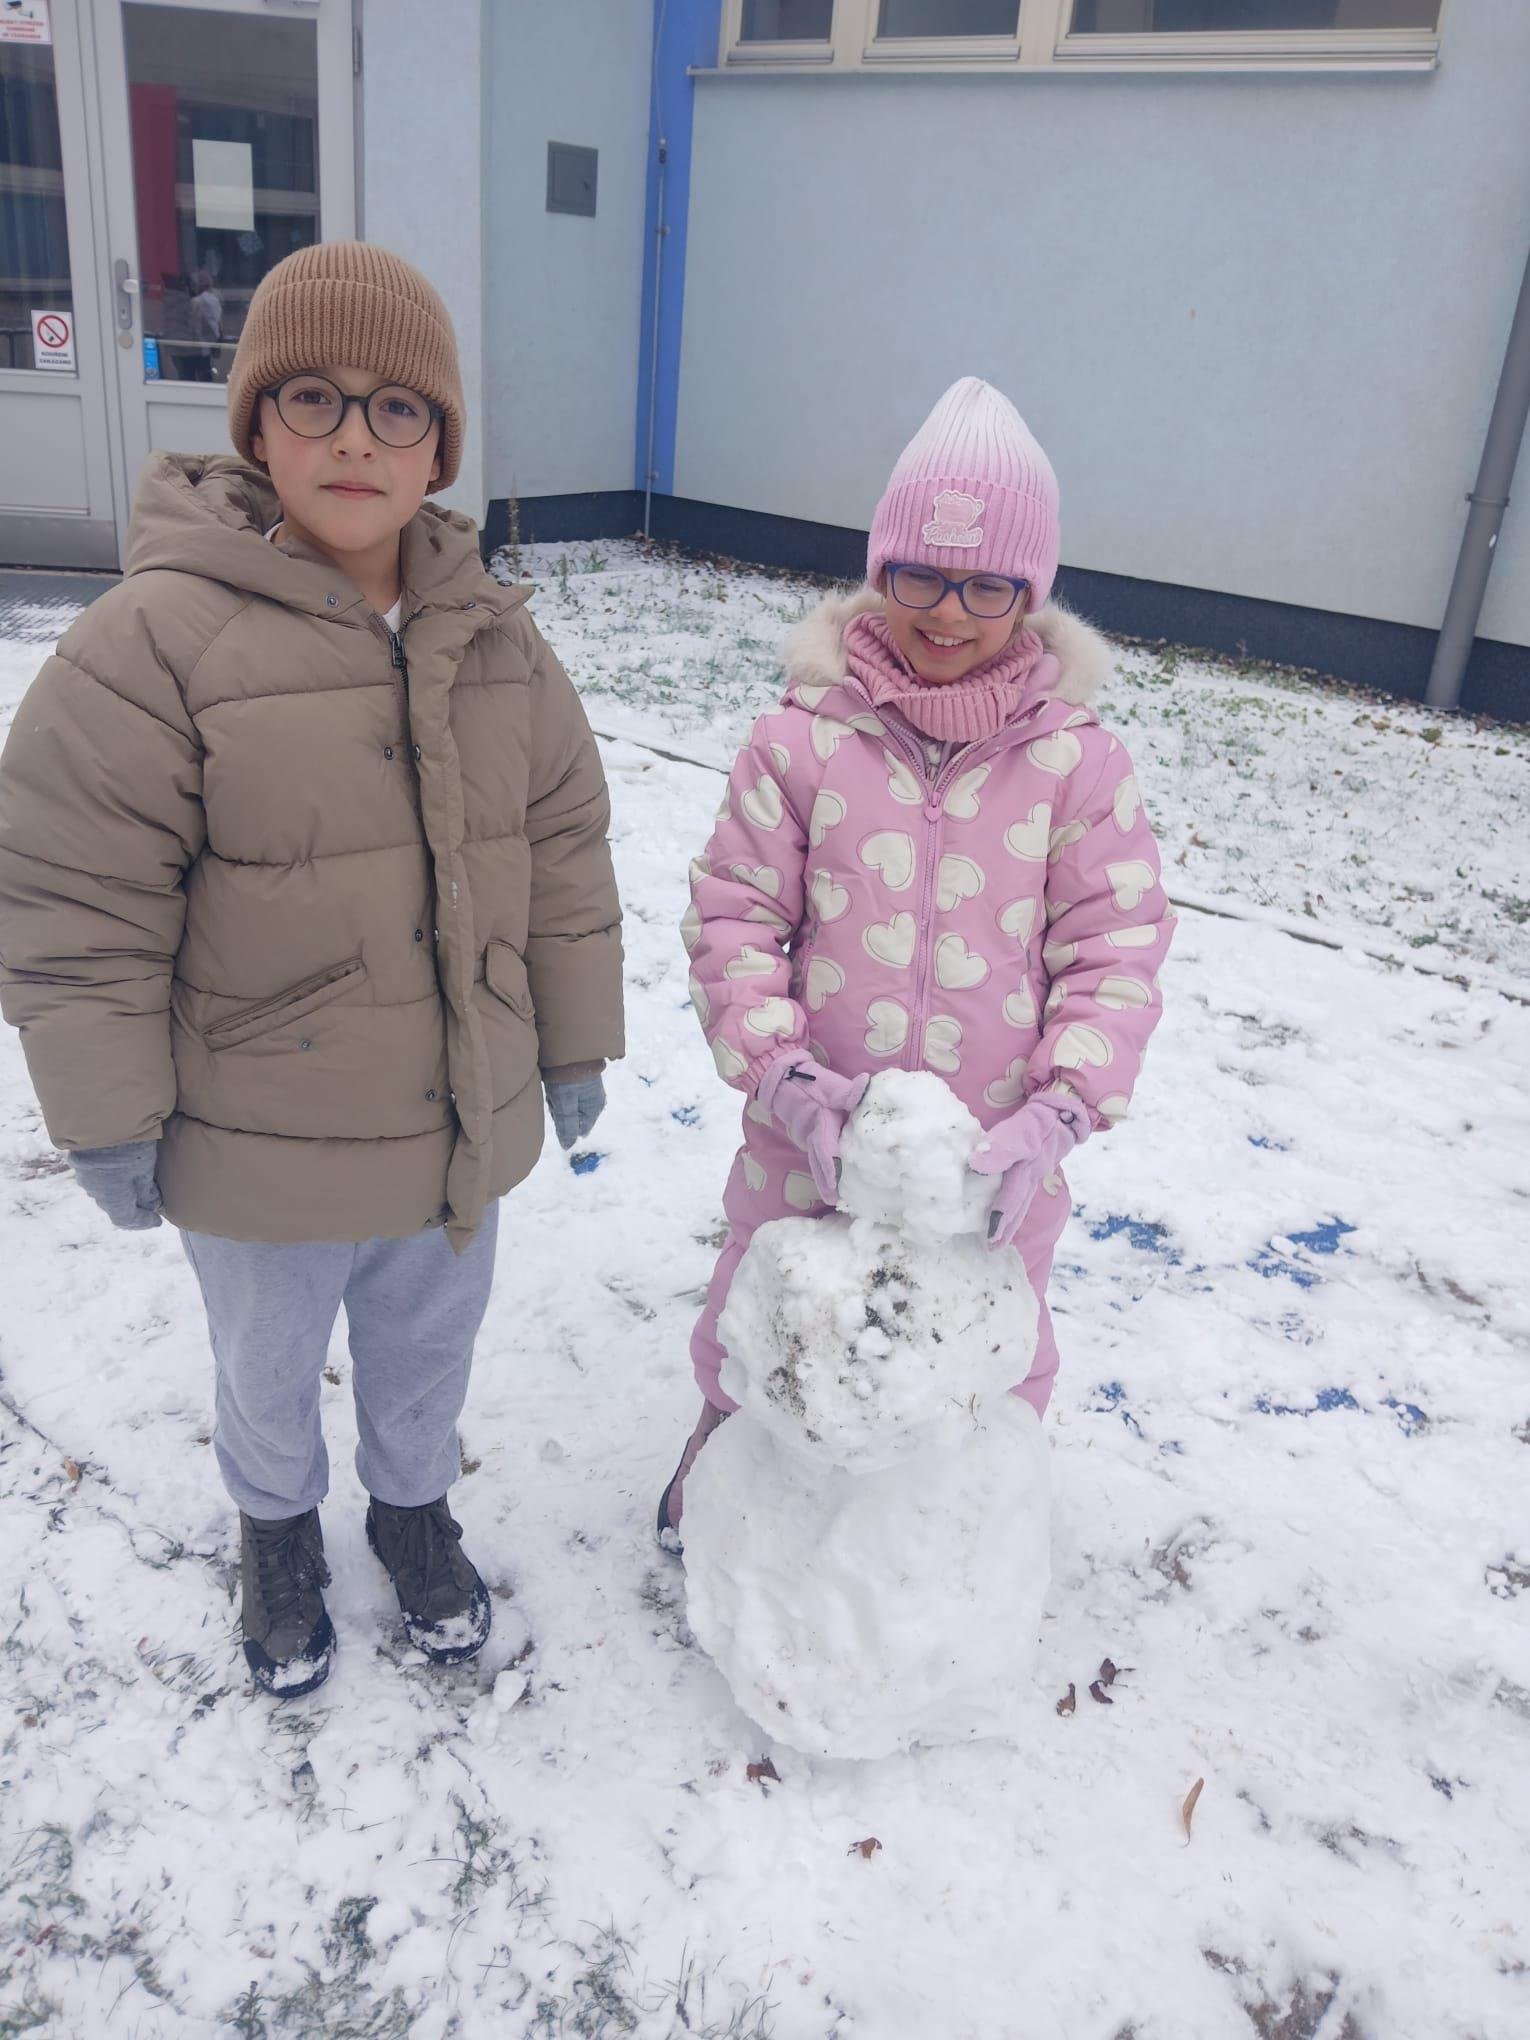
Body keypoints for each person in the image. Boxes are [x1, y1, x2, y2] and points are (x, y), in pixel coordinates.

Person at [0, 242, 623, 1695]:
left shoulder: (495, 642)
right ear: (257, 428)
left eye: (396, 408)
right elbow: (78, 895)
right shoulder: (155, 642)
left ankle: (412, 1512)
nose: (355, 438)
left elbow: (563, 849)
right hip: (256, 1131)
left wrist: (572, 1042)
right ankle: (276, 1531)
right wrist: (106, 1116)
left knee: (425, 1349)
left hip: (451, 1116)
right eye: (313, 399)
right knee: (268, 1362)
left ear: (439, 446)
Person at [660, 376, 1172, 1540]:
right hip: (815, 1121)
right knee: (766, 1287)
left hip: (997, 1146)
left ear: (1031, 593)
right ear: (878, 570)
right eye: (920, 576)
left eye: (988, 585)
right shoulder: (802, 739)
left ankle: (981, 1501)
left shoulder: (1076, 764)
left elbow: (1117, 945)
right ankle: (729, 1437)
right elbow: (734, 915)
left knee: (993, 1323)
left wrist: (1060, 1110)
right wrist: (784, 1076)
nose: (949, 612)